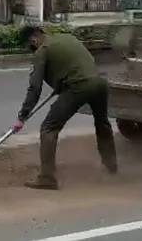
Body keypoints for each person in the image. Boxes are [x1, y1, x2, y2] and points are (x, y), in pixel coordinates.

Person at [12, 26, 118, 190]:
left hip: (78, 87)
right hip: (99, 82)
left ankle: (47, 177)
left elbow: (35, 87)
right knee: (102, 123)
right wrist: (61, 81)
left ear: (33, 40)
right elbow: (83, 61)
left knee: (48, 128)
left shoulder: (43, 50)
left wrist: (22, 116)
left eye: (29, 47)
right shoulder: (67, 38)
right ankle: (112, 166)